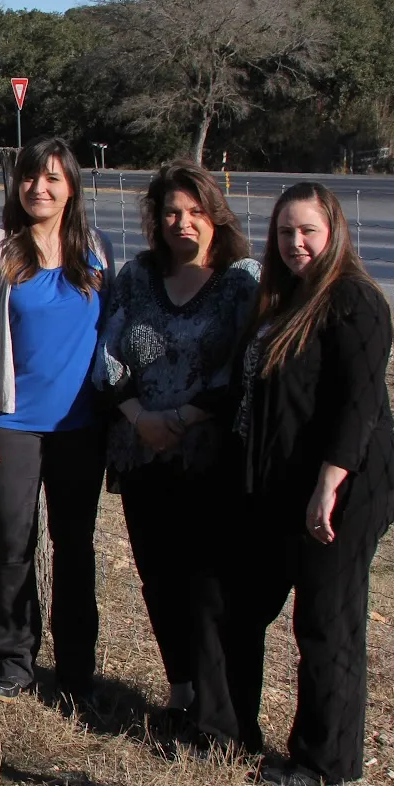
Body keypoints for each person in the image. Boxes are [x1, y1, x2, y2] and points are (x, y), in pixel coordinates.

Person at [196, 182, 394, 786]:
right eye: (286, 232)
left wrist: (329, 486)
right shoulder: (283, 297)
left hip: (348, 487)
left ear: (333, 230)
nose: (296, 243)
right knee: (235, 599)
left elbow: (358, 408)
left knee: (326, 618)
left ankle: (326, 761)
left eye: (308, 231)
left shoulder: (355, 301)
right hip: (282, 484)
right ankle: (227, 730)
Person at [95, 164, 258, 713]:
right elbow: (108, 354)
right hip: (142, 453)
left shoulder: (241, 281)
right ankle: (179, 687)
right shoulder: (139, 277)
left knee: (207, 581)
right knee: (158, 576)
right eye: (170, 212)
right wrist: (140, 416)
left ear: (215, 216)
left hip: (209, 458)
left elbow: (242, 369)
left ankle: (217, 701)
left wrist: (186, 417)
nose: (181, 222)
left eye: (194, 212)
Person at [0, 138, 113, 704]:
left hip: (80, 427)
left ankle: (76, 670)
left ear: (71, 186)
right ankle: (15, 660)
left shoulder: (96, 249)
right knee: (14, 544)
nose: (39, 189)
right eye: (28, 178)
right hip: (14, 424)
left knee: (75, 547)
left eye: (52, 179)